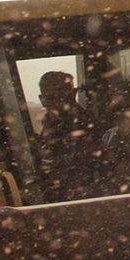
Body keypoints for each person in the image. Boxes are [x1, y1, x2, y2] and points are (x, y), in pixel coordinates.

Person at [37, 70, 86, 200]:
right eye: (53, 97)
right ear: (42, 100)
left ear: (73, 95)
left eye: (65, 96)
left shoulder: (84, 126)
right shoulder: (48, 125)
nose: (60, 103)